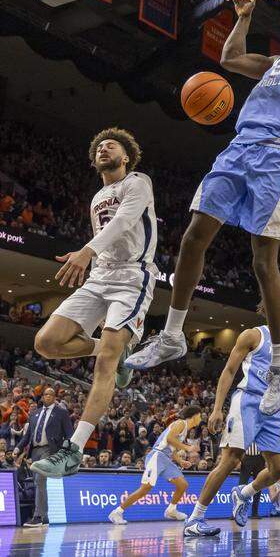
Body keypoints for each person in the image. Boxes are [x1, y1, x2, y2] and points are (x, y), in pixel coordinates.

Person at [126, 0, 280, 419]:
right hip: (239, 149)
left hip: (279, 157)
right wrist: (243, 15)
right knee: (192, 237)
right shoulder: (271, 63)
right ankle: (171, 334)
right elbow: (228, 59)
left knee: (263, 262)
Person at [31, 129, 157, 478]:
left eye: (111, 145)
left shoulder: (138, 182)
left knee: (105, 365)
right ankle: (115, 352)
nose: (104, 148)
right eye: (99, 147)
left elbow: (123, 222)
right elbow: (108, 232)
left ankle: (72, 450)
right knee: (47, 343)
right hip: (101, 275)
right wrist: (93, 257)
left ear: (126, 156)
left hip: (133, 277)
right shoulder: (97, 196)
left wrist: (87, 250)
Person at [183, 292, 280, 537]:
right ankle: (195, 518)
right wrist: (217, 408)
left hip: (274, 411)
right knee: (231, 459)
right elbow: (228, 371)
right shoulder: (254, 335)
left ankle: (244, 493)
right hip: (247, 400)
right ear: (277, 308)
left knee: (279, 469)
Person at [109, 406, 201, 524]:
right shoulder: (181, 423)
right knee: (145, 488)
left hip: (166, 459)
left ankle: (171, 510)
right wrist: (188, 447)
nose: (201, 417)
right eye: (199, 415)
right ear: (194, 415)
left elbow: (172, 449)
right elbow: (169, 438)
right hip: (157, 456)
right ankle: (117, 512)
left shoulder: (185, 429)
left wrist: (180, 461)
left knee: (182, 484)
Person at [14, 387, 73, 527]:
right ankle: (45, 516)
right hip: (35, 451)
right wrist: (18, 448)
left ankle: (38, 516)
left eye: (49, 394)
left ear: (54, 397)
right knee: (39, 483)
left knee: (40, 479)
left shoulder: (62, 413)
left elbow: (70, 434)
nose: (46, 396)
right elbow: (28, 436)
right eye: (44, 394)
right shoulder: (34, 414)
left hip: (50, 450)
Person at [238, 444, 266, 519]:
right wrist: (239, 459)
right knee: (242, 484)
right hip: (246, 457)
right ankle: (237, 512)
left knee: (259, 484)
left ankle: (255, 512)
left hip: (260, 458)